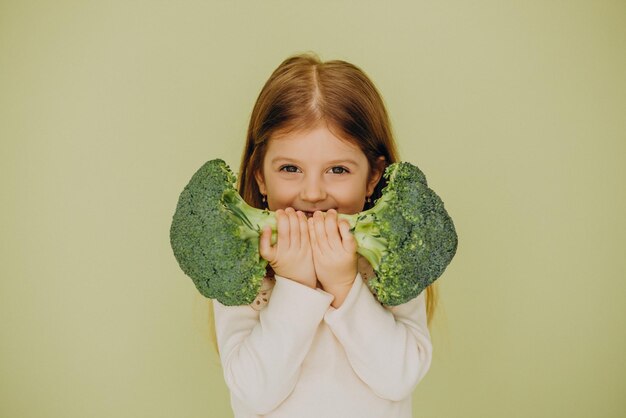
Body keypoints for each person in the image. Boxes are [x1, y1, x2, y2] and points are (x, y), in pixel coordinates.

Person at [211, 53, 437, 418]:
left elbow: (398, 378)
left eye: (337, 169)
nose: (313, 192)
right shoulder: (239, 267)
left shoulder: (395, 253)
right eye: (290, 168)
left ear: (373, 177)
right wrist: (296, 285)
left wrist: (344, 285)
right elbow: (254, 393)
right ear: (259, 177)